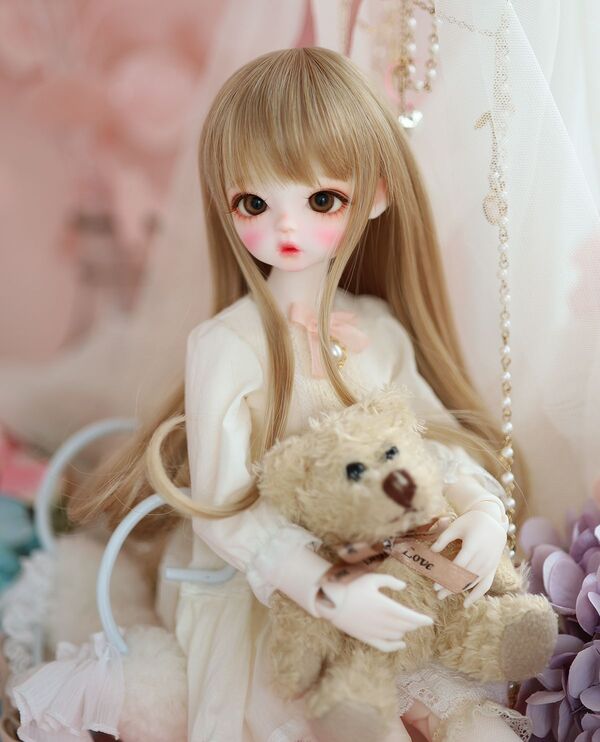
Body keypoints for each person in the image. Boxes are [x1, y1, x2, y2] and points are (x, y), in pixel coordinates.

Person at [71, 47, 525, 741]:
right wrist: (322, 586)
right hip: (262, 584)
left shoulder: (377, 328)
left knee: (449, 705)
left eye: (321, 200)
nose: (286, 228)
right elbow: (222, 510)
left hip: (381, 561)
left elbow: (431, 441)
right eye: (255, 203)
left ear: (376, 195)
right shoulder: (225, 345)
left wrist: (483, 510)